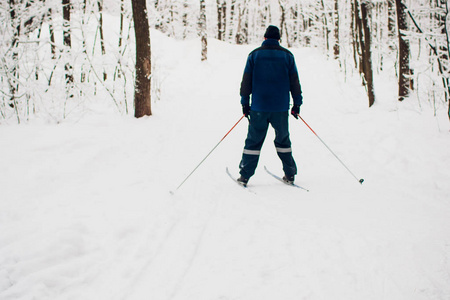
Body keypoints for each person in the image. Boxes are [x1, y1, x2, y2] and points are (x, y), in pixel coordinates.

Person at [237, 25, 303, 187]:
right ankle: (290, 174)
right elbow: (295, 82)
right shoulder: (288, 56)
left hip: (259, 107)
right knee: (283, 141)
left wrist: (245, 104)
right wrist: (297, 104)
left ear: (265, 38)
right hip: (280, 109)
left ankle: (245, 176)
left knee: (253, 142)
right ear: (279, 39)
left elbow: (246, 82)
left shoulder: (254, 55)